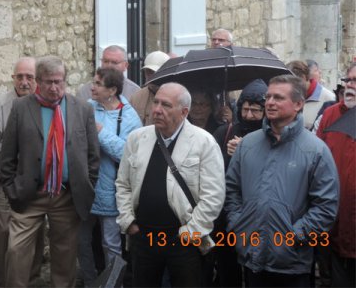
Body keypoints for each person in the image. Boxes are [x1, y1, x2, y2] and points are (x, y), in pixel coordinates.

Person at [225, 75, 339, 288]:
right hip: (251, 258)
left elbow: (326, 207)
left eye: (278, 97)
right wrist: (239, 226)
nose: (269, 102)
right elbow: (232, 190)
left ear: (298, 104)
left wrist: (292, 237)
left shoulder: (315, 150)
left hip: (292, 264)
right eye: (268, 97)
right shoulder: (248, 144)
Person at [0, 55, 100, 287]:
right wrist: (11, 189)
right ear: (38, 82)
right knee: (16, 251)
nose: (54, 88)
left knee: (64, 257)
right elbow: (7, 156)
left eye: (59, 81)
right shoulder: (21, 108)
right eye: (49, 82)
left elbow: (92, 154)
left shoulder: (81, 109)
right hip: (30, 195)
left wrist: (87, 184)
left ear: (65, 80)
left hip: (66, 196)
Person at [116, 82, 225, 287]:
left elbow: (214, 196)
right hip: (143, 237)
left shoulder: (204, 143)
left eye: (166, 105)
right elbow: (123, 184)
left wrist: (190, 233)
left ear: (184, 112)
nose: (156, 109)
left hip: (184, 241)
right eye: (156, 102)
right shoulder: (137, 138)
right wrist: (129, 222)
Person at [0, 56, 44, 287]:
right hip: (7, 184)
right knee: (5, 236)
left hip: (37, 185)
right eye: (20, 77)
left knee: (35, 234)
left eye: (30, 77)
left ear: (38, 79)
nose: (24, 82)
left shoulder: (45, 105)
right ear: (13, 78)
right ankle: (2, 283)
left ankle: (31, 281)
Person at [77, 67, 143, 285]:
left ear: (112, 90)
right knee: (81, 241)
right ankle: (89, 282)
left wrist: (99, 131)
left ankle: (114, 284)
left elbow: (127, 154)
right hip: (86, 186)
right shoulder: (87, 107)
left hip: (112, 190)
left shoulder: (129, 116)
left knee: (110, 243)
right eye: (93, 82)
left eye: (98, 84)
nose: (92, 87)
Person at [210, 78, 267, 288]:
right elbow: (213, 170)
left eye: (256, 111)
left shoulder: (271, 136)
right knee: (227, 266)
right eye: (245, 109)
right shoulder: (224, 132)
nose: (249, 115)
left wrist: (248, 152)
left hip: (256, 214)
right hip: (226, 214)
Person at [316, 63, 356, 288]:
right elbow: (317, 161)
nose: (349, 85)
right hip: (335, 227)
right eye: (348, 80)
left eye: (355, 81)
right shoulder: (331, 115)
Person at [287, 60, 335, 130]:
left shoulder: (329, 98)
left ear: (304, 78)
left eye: (293, 83)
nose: (291, 87)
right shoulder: (289, 95)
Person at [129, 51, 170, 125]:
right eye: (149, 72)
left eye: (157, 72)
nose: (153, 77)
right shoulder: (136, 98)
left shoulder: (178, 96)